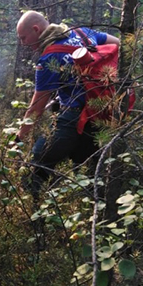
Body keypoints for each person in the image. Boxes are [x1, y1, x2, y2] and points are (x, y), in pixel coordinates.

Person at [15, 10, 121, 197]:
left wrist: (19, 139)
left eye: (23, 38)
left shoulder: (49, 59)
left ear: (36, 29)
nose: (23, 43)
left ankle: (31, 216)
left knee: (36, 162)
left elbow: (36, 110)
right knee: (90, 173)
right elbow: (118, 44)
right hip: (105, 113)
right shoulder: (81, 33)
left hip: (75, 118)